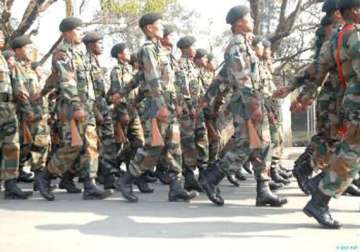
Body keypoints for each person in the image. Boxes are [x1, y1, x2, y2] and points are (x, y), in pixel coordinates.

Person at [199, 5, 288, 207]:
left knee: (262, 144)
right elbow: (243, 78)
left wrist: (208, 95)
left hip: (253, 100)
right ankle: (211, 178)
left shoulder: (244, 45)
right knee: (247, 145)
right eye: (249, 17)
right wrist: (254, 105)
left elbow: (222, 76)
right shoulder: (237, 46)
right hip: (248, 103)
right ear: (239, 22)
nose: (253, 20)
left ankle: (263, 189)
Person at [115, 13, 198, 203]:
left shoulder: (160, 50)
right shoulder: (148, 49)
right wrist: (161, 105)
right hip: (157, 105)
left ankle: (176, 188)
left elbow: (142, 77)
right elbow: (152, 78)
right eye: (158, 24)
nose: (162, 27)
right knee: (154, 146)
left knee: (174, 146)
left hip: (167, 103)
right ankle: (126, 180)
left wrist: (176, 103)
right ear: (149, 28)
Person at [35, 17, 111, 201]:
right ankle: (45, 177)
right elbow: (65, 80)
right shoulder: (62, 53)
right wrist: (76, 105)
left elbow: (54, 78)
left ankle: (90, 184)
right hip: (71, 108)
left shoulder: (79, 54)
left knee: (91, 145)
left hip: (88, 107)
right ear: (67, 33)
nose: (80, 33)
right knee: (74, 146)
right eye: (77, 29)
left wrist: (43, 91)